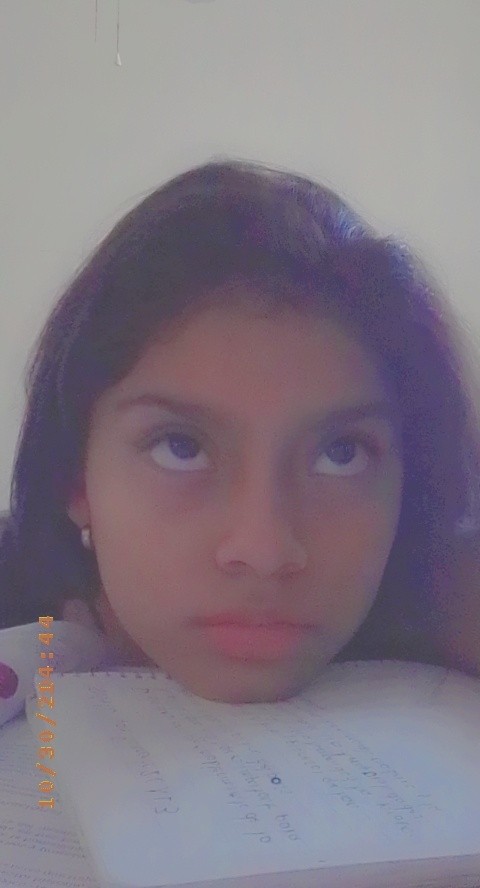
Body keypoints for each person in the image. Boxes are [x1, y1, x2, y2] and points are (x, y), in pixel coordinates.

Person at [0, 159, 479, 707]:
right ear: (74, 476)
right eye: (181, 447)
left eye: (341, 454)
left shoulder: (430, 598)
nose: (265, 550)